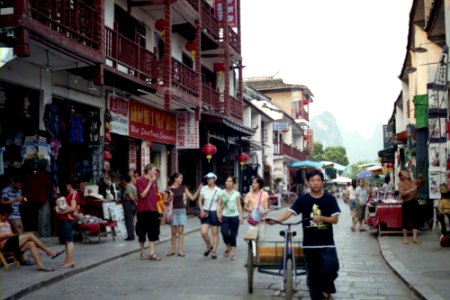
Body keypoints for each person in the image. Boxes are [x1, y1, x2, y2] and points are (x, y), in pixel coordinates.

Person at [266, 169, 340, 300]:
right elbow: (289, 212)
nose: (315, 183)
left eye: (318, 180)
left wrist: (322, 218)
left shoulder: (330, 199)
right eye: (312, 181)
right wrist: (275, 221)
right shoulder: (303, 199)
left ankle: (325, 288)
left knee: (331, 268)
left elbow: (335, 220)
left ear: (323, 182)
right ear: (307, 183)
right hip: (309, 245)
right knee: (312, 276)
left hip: (327, 244)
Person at [0, 205, 64, 272]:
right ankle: (48, 251)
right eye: (6, 216)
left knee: (31, 243)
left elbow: (12, 234)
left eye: (8, 216)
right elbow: (6, 235)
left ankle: (40, 266)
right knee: (30, 235)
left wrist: (15, 233)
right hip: (5, 246)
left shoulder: (7, 222)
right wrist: (7, 235)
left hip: (11, 243)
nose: (7, 218)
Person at [164, 173, 201, 257]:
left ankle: (180, 251)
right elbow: (164, 201)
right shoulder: (169, 189)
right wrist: (170, 198)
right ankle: (172, 250)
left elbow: (192, 198)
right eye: (180, 178)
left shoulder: (183, 188)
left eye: (182, 178)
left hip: (181, 211)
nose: (181, 180)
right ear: (175, 179)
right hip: (172, 211)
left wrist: (198, 190)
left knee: (180, 232)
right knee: (173, 232)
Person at [135, 164, 161, 260]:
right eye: (154, 170)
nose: (155, 172)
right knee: (141, 231)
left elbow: (155, 196)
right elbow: (142, 195)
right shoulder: (139, 181)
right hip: (142, 210)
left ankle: (152, 253)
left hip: (153, 210)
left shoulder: (155, 181)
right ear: (149, 170)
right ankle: (142, 252)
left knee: (153, 231)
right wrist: (150, 183)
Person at [55, 176, 80, 268]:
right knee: (67, 241)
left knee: (69, 241)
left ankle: (70, 260)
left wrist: (61, 212)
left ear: (69, 185)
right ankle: (67, 259)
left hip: (67, 219)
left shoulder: (73, 194)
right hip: (64, 219)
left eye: (67, 185)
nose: (66, 187)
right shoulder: (70, 194)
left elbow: (73, 208)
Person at [217, 176, 243, 261]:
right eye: (227, 181)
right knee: (224, 232)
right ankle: (228, 245)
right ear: (225, 182)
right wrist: (218, 213)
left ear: (233, 183)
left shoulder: (236, 193)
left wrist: (241, 216)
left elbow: (239, 205)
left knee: (233, 235)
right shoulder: (221, 192)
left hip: (234, 216)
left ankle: (233, 253)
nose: (229, 183)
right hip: (225, 215)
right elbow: (219, 204)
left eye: (230, 181)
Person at [198, 172, 221, 259]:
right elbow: (200, 200)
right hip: (205, 211)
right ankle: (209, 246)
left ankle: (214, 251)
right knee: (203, 232)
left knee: (215, 233)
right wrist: (202, 210)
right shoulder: (204, 188)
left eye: (210, 178)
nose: (208, 180)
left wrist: (219, 214)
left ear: (214, 179)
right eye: (207, 178)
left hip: (214, 212)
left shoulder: (218, 190)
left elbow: (219, 203)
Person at [398, 170, 421, 244]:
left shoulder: (413, 181)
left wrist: (421, 177)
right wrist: (412, 189)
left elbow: (421, 184)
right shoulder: (400, 184)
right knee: (406, 221)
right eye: (404, 173)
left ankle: (415, 238)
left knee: (416, 220)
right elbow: (402, 193)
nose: (406, 173)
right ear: (401, 177)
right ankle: (405, 238)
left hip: (415, 202)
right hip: (406, 203)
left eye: (406, 172)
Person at [121, 174, 137, 241]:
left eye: (123, 180)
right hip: (132, 205)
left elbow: (130, 196)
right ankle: (131, 235)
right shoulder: (133, 186)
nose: (122, 181)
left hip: (129, 204)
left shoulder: (128, 186)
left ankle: (130, 236)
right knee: (131, 221)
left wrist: (134, 203)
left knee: (129, 221)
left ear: (124, 180)